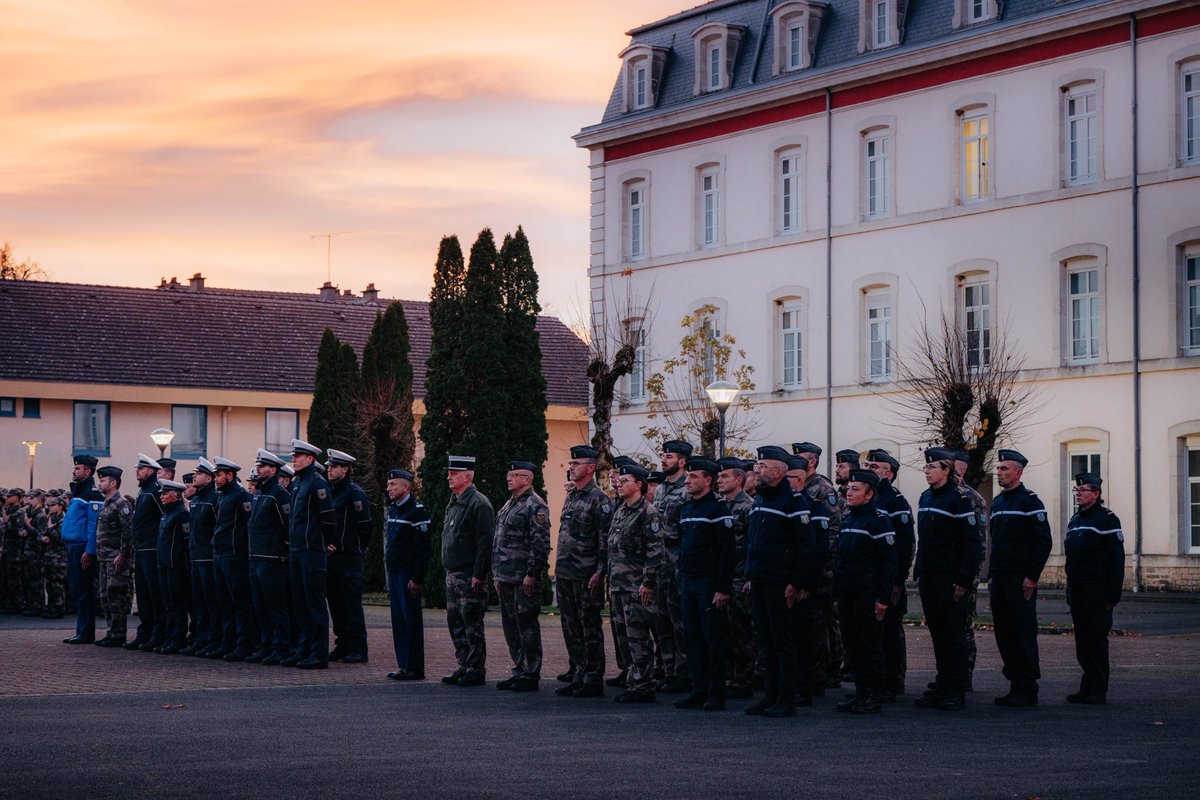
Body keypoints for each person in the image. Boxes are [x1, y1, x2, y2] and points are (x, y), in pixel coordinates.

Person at [744, 446, 819, 718]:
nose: (757, 470)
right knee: (765, 641)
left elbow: (806, 547)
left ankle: (786, 698)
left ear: (778, 472)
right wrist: (750, 575)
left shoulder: (793, 502)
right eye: (757, 465)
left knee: (782, 641)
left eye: (763, 466)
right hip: (760, 579)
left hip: (780, 582)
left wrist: (797, 582)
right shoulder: (760, 500)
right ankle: (770, 695)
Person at [913, 448, 984, 711]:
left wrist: (964, 580)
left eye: (933, 467)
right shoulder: (925, 497)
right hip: (929, 575)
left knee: (953, 634)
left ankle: (956, 689)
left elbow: (972, 544)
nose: (927, 471)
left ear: (946, 470)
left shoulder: (959, 500)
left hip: (950, 577)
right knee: (937, 634)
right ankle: (942, 684)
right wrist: (919, 568)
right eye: (926, 467)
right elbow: (924, 539)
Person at [988, 449, 1052, 707]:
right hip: (1000, 578)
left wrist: (1032, 576)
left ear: (1018, 472)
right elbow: (996, 543)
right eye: (998, 468)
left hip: (1020, 579)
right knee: (1004, 633)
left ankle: (1027, 687)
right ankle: (1015, 684)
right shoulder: (998, 503)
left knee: (1022, 632)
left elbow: (1043, 542)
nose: (999, 473)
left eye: (1004, 469)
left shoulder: (1030, 502)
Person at [597, 463, 663, 704]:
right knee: (624, 636)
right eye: (620, 480)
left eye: (625, 481)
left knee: (638, 637)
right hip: (618, 585)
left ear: (639, 485)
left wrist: (648, 582)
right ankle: (633, 679)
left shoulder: (647, 512)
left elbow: (655, 551)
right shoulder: (621, 511)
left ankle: (644, 684)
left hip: (636, 586)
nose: (619, 483)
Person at [833, 470, 897, 714]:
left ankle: (873, 693)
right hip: (848, 592)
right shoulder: (850, 519)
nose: (849, 493)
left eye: (855, 489)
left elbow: (888, 563)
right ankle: (861, 691)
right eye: (849, 489)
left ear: (869, 495)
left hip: (867, 593)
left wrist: (882, 598)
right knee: (853, 644)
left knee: (869, 645)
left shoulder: (878, 521)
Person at [673, 458, 735, 711]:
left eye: (693, 476)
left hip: (709, 582)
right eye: (687, 476)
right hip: (689, 580)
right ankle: (698, 689)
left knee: (713, 638)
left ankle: (716, 692)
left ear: (708, 480)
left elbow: (727, 551)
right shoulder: (687, 509)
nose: (687, 481)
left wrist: (723, 587)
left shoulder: (717, 509)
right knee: (692, 636)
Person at [554, 445, 612, 697]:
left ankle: (593, 677)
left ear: (590, 468)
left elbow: (605, 540)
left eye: (576, 464)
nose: (571, 467)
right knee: (571, 628)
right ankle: (578, 673)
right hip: (566, 573)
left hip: (586, 575)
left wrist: (600, 572)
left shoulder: (599, 500)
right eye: (571, 463)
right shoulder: (573, 496)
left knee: (589, 627)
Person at [1064, 472, 1125, 705]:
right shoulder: (1075, 520)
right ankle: (1087, 686)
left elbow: (1116, 559)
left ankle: (1098, 689)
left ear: (1096, 493)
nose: (1078, 494)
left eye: (1083, 490)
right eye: (1076, 490)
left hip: (1097, 589)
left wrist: (1112, 593)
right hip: (1078, 588)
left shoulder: (1107, 520)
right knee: (1082, 642)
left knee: (1096, 640)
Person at [493, 460, 551, 692]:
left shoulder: (535, 505)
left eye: (514, 475)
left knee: (527, 625)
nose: (509, 478)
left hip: (523, 577)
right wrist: (496, 574)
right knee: (511, 627)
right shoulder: (510, 503)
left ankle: (531, 672)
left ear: (527, 479)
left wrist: (532, 573)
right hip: (506, 576)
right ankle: (519, 668)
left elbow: (541, 543)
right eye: (509, 474)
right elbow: (498, 541)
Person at [864, 449, 915, 701]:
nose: (868, 469)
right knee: (871, 633)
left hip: (888, 579)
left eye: (874, 466)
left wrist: (897, 581)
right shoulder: (867, 497)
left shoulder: (895, 501)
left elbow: (904, 546)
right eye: (867, 465)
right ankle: (873, 682)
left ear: (888, 473)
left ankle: (892, 682)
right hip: (868, 577)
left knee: (890, 632)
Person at [440, 455, 494, 686]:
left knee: (472, 623)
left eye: (454, 473)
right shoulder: (454, 503)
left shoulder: (479, 504)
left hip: (469, 574)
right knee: (455, 622)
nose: (449, 477)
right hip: (453, 574)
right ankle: (464, 664)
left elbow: (485, 542)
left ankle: (475, 668)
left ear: (468, 476)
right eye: (449, 473)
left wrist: (479, 574)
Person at [287, 439, 336, 670]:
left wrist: (324, 542)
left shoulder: (317, 482)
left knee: (314, 602)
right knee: (299, 602)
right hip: (297, 550)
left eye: (298, 456)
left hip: (312, 550)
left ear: (310, 459)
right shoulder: (298, 482)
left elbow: (328, 517)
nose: (294, 460)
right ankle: (304, 649)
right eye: (293, 456)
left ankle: (318, 653)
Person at [651, 439, 692, 694]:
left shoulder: (687, 488)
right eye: (663, 456)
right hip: (659, 562)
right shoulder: (660, 490)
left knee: (680, 622)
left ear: (682, 461)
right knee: (661, 620)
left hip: (677, 561)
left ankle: (684, 673)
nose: (664, 460)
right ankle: (668, 671)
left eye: (669, 456)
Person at [325, 449, 373, 664]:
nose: (329, 470)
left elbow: (365, 525)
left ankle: (359, 647)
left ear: (345, 469)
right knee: (335, 602)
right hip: (332, 556)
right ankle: (343, 644)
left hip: (349, 556)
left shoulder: (354, 493)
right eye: (329, 466)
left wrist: (358, 547)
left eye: (334, 466)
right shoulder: (330, 491)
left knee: (351, 602)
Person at [383, 468, 431, 681]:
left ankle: (415, 667)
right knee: (399, 622)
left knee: (410, 621)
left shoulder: (416, 511)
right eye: (388, 484)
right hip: (394, 572)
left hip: (407, 575)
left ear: (406, 487)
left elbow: (423, 548)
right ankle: (404, 665)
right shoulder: (393, 510)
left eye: (393, 484)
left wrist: (417, 577)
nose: (389, 488)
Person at [246, 450, 293, 665]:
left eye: (262, 466)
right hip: (256, 557)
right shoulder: (259, 493)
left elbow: (287, 526)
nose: (258, 468)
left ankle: (281, 647)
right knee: (260, 606)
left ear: (273, 470)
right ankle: (266, 646)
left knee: (276, 606)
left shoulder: (279, 495)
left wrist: (280, 550)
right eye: (258, 465)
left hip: (272, 558)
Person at [211, 457, 259, 661]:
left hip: (234, 556)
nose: (216, 479)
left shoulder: (241, 496)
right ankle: (228, 643)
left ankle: (244, 644)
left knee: (240, 602)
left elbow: (249, 526)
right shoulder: (222, 496)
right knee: (223, 602)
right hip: (220, 554)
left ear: (230, 475)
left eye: (219, 475)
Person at [951, 449, 989, 690]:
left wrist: (970, 576)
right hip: (945, 572)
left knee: (963, 626)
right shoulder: (937, 496)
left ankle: (964, 676)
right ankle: (948, 676)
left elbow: (978, 543)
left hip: (964, 574)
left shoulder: (972, 498)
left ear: (962, 469)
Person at [717, 457, 756, 699]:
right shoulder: (720, 506)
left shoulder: (748, 507)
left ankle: (743, 681)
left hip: (741, 577)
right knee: (724, 631)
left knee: (741, 633)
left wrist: (750, 576)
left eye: (725, 477)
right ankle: (728, 677)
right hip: (723, 577)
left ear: (739, 480)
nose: (719, 481)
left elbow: (754, 544)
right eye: (718, 477)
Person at [87, 465, 134, 647]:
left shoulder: (121, 504)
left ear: (113, 483)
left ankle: (119, 634)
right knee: (105, 596)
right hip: (104, 558)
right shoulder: (107, 503)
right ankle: (112, 631)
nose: (99, 484)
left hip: (115, 558)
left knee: (116, 596)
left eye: (103, 480)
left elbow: (127, 532)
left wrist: (123, 555)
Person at [125, 453, 165, 652]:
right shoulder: (144, 491)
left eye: (140, 469)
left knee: (154, 594)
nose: (137, 472)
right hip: (141, 550)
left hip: (152, 550)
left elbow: (165, 517)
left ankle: (157, 635)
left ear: (150, 470)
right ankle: (145, 633)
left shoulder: (155, 491)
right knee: (142, 595)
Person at [62, 455, 103, 644]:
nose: (74, 471)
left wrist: (90, 550)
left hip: (82, 548)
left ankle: (86, 632)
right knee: (76, 589)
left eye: (77, 468)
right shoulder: (79, 491)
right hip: (73, 546)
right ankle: (81, 630)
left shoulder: (92, 494)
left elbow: (94, 525)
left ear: (88, 471)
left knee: (84, 589)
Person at [185, 458, 222, 658]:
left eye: (198, 474)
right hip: (196, 558)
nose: (194, 476)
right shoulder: (197, 500)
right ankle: (201, 639)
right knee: (198, 603)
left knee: (211, 603)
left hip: (208, 559)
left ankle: (213, 641)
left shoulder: (214, 499)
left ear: (209, 478)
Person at [155, 479, 191, 653]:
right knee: (167, 603)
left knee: (177, 603)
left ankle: (178, 639)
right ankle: (168, 638)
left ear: (175, 495)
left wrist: (182, 563)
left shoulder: (181, 514)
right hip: (164, 564)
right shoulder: (166, 513)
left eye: (165, 493)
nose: (161, 496)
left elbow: (186, 541)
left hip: (176, 565)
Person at [21, 490, 48, 616]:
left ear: (38, 499)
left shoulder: (41, 516)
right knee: (29, 579)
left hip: (36, 552)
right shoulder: (31, 513)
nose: (30, 501)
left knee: (36, 580)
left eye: (32, 498)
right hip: (28, 551)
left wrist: (28, 525)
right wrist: (24, 531)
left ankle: (38, 606)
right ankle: (31, 604)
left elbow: (41, 535)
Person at [1, 488, 27, 613]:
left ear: (17, 498)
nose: (7, 498)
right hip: (6, 549)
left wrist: (6, 523)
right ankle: (7, 603)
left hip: (14, 551)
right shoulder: (8, 510)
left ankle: (16, 604)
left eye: (9, 496)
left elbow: (19, 532)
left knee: (14, 579)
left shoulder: (19, 512)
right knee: (6, 577)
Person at [42, 495, 68, 619]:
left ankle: (58, 608)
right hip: (49, 555)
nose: (50, 507)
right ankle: (51, 607)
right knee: (49, 583)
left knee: (57, 584)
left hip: (59, 557)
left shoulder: (64, 520)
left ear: (60, 506)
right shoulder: (51, 518)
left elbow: (62, 538)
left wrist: (50, 529)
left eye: (52, 505)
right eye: (49, 505)